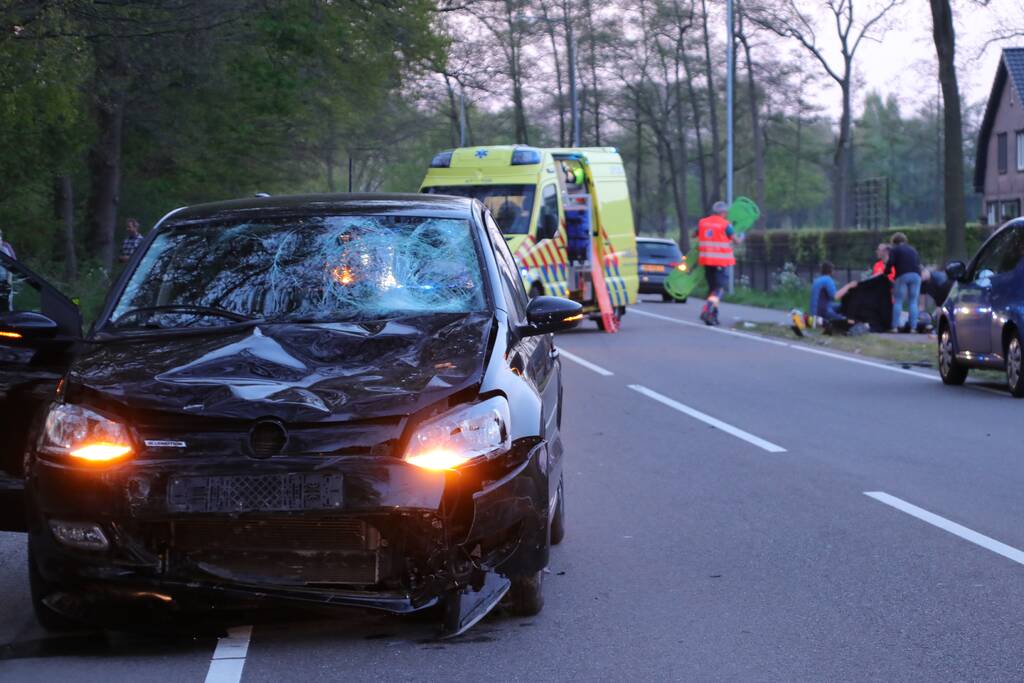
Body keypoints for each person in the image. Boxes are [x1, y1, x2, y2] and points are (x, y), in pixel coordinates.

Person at [695, 201, 740, 326]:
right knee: (719, 290)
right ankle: (707, 309)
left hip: (706, 262)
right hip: (720, 262)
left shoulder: (702, 222)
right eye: (726, 213)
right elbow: (736, 241)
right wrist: (742, 237)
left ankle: (713, 316)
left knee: (712, 290)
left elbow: (695, 234)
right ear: (723, 213)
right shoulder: (726, 225)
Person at [886, 232, 921, 333]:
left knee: (898, 300)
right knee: (913, 301)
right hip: (916, 275)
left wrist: (886, 272)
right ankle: (913, 327)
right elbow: (918, 262)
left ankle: (895, 327)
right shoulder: (912, 249)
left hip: (903, 274)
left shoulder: (895, 249)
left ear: (894, 241)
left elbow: (891, 263)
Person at [809, 261, 858, 332]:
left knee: (841, 305)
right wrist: (849, 286)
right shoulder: (828, 280)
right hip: (823, 311)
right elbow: (835, 297)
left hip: (814, 312)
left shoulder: (817, 280)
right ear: (831, 271)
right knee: (846, 321)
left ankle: (843, 316)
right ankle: (849, 319)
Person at [0, 228, 15, 313]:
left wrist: (9, 283)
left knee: (7, 308)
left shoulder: (6, 247)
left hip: (5, 283)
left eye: (0, 235)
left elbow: (13, 266)